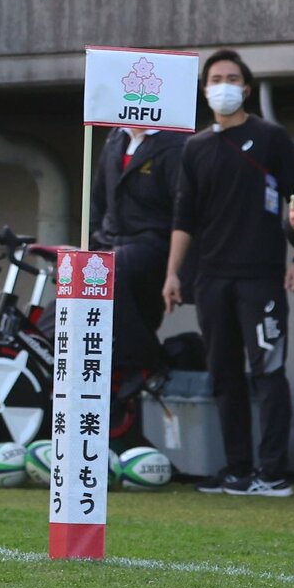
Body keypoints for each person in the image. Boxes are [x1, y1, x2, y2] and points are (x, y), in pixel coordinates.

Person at [163, 48, 294, 497]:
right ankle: (238, 469)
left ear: (246, 86)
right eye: (215, 77)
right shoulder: (195, 147)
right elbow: (184, 218)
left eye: (232, 77)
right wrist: (172, 274)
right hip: (211, 280)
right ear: (204, 89)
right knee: (223, 374)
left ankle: (273, 473)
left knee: (268, 372)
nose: (223, 84)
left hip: (261, 277)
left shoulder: (272, 138)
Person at [88, 120, 183, 443]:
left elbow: (181, 210)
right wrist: (92, 243)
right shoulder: (114, 139)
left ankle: (138, 365)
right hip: (111, 240)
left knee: (118, 268)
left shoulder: (175, 143)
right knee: (78, 274)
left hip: (152, 244)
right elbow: (98, 198)